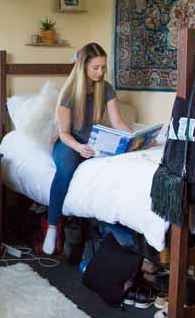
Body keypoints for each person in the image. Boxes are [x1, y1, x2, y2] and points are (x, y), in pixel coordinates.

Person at [42, 42, 131, 255]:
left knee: (114, 165)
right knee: (66, 171)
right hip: (69, 142)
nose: (101, 72)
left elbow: (117, 122)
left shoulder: (106, 89)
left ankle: (115, 229)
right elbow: (63, 133)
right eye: (95, 68)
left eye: (103, 67)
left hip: (93, 142)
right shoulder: (69, 94)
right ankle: (52, 227)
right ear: (83, 67)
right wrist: (79, 148)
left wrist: (135, 138)